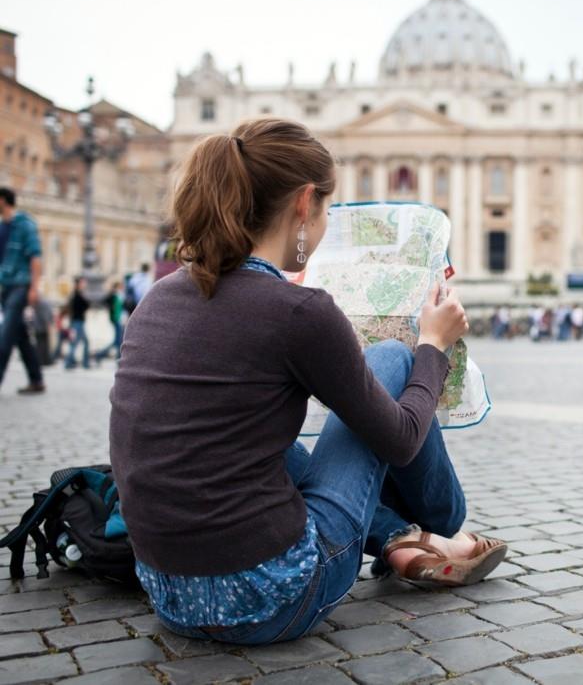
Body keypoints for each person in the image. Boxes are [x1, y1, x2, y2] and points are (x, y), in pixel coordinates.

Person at [109, 119, 507, 646]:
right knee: (392, 358)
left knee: (254, 437)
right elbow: (402, 439)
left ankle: (395, 538)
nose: (322, 230)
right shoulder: (298, 311)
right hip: (274, 598)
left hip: (171, 596)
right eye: (325, 211)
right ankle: (440, 525)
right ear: (304, 204)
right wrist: (431, 346)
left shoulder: (157, 299)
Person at [0, 187, 46, 394]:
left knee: (6, 335)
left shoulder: (25, 225)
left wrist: (34, 288)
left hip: (21, 285)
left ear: (3, 200)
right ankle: (36, 380)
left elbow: (36, 257)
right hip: (7, 285)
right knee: (21, 336)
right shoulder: (3, 227)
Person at [64, 277, 90, 369]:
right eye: (83, 283)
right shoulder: (77, 295)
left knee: (80, 342)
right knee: (75, 342)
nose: (84, 285)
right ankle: (69, 363)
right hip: (77, 322)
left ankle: (83, 363)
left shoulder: (76, 294)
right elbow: (86, 305)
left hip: (77, 322)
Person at [95, 281, 124, 362]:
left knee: (117, 341)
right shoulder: (112, 295)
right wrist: (111, 309)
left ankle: (101, 355)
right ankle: (102, 355)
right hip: (115, 319)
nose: (122, 288)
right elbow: (104, 302)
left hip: (118, 319)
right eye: (120, 286)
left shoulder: (119, 295)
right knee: (118, 341)